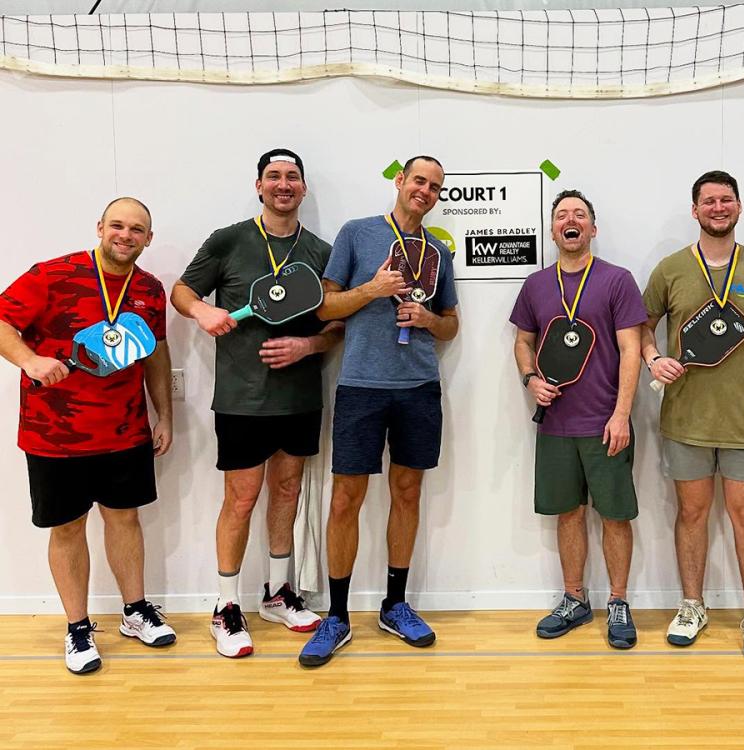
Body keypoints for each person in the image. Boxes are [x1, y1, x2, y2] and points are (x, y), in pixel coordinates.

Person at [172, 149, 339, 658]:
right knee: (241, 500)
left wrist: (308, 346)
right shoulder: (229, 240)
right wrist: (201, 310)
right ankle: (225, 607)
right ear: (259, 185)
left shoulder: (322, 251)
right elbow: (181, 290)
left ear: (304, 190)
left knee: (287, 493)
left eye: (292, 177)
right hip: (242, 400)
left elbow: (337, 323)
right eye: (274, 176)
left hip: (301, 398)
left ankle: (277, 594)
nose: (283, 184)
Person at [0, 197, 176, 674]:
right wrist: (30, 360)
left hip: (125, 432)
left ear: (148, 238)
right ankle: (78, 629)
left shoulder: (149, 289)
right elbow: (2, 321)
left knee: (125, 521)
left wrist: (166, 416)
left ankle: (135, 612)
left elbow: (156, 355)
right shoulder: (52, 274)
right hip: (53, 436)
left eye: (137, 229)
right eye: (117, 225)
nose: (126, 235)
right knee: (68, 528)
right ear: (100, 227)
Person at [298, 155, 459, 667]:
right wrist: (373, 290)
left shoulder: (438, 250)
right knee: (345, 498)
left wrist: (429, 319)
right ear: (400, 181)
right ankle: (338, 616)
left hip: (418, 387)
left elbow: (453, 324)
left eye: (435, 186)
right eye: (419, 181)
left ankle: (395, 605)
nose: (425, 191)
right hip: (361, 387)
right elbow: (324, 308)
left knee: (407, 493)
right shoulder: (357, 233)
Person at [641, 171, 744, 658]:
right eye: (708, 201)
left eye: (725, 200)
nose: (717, 207)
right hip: (686, 419)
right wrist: (653, 358)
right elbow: (640, 329)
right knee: (691, 514)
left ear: (738, 207)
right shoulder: (670, 269)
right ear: (695, 211)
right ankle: (692, 605)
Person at [510, 189, 646, 649]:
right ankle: (574, 599)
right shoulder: (535, 285)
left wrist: (621, 414)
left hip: (606, 422)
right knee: (568, 514)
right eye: (562, 215)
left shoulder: (617, 280)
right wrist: (530, 379)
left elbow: (631, 349)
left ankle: (619, 602)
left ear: (593, 228)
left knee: (614, 516)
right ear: (552, 230)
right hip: (555, 424)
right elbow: (522, 342)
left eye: (580, 215)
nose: (571, 221)